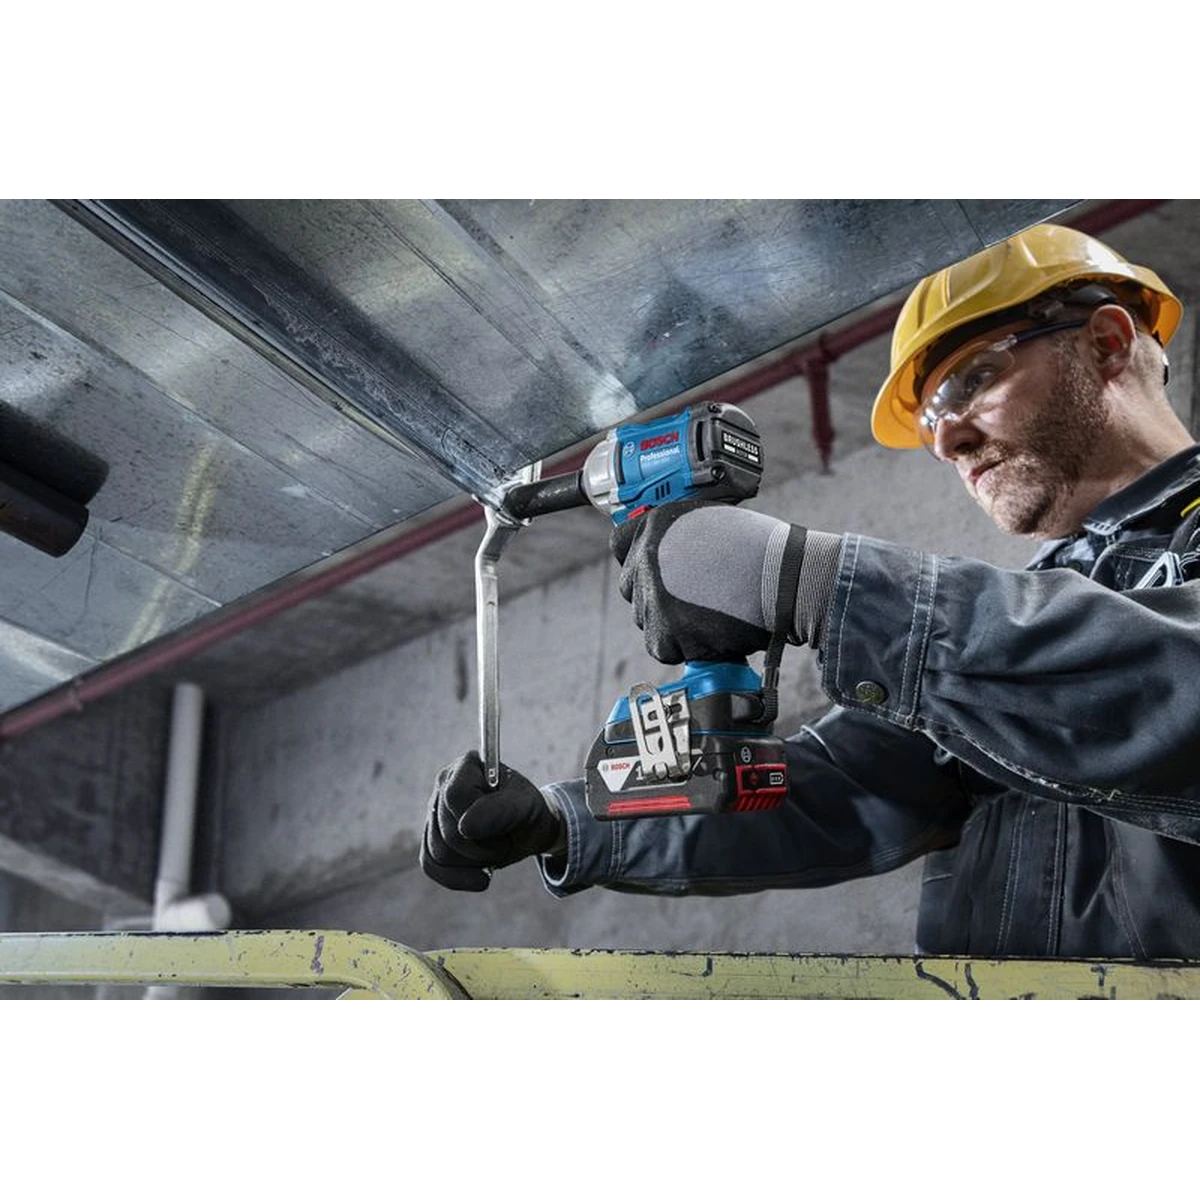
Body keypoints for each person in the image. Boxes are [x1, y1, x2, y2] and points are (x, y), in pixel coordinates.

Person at [421, 223, 1200, 959]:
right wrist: (568, 822)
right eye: (930, 420)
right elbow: (838, 788)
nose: (947, 440)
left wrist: (811, 580)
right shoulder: (1021, 631)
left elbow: (1174, 690)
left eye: (975, 377)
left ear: (1106, 342)